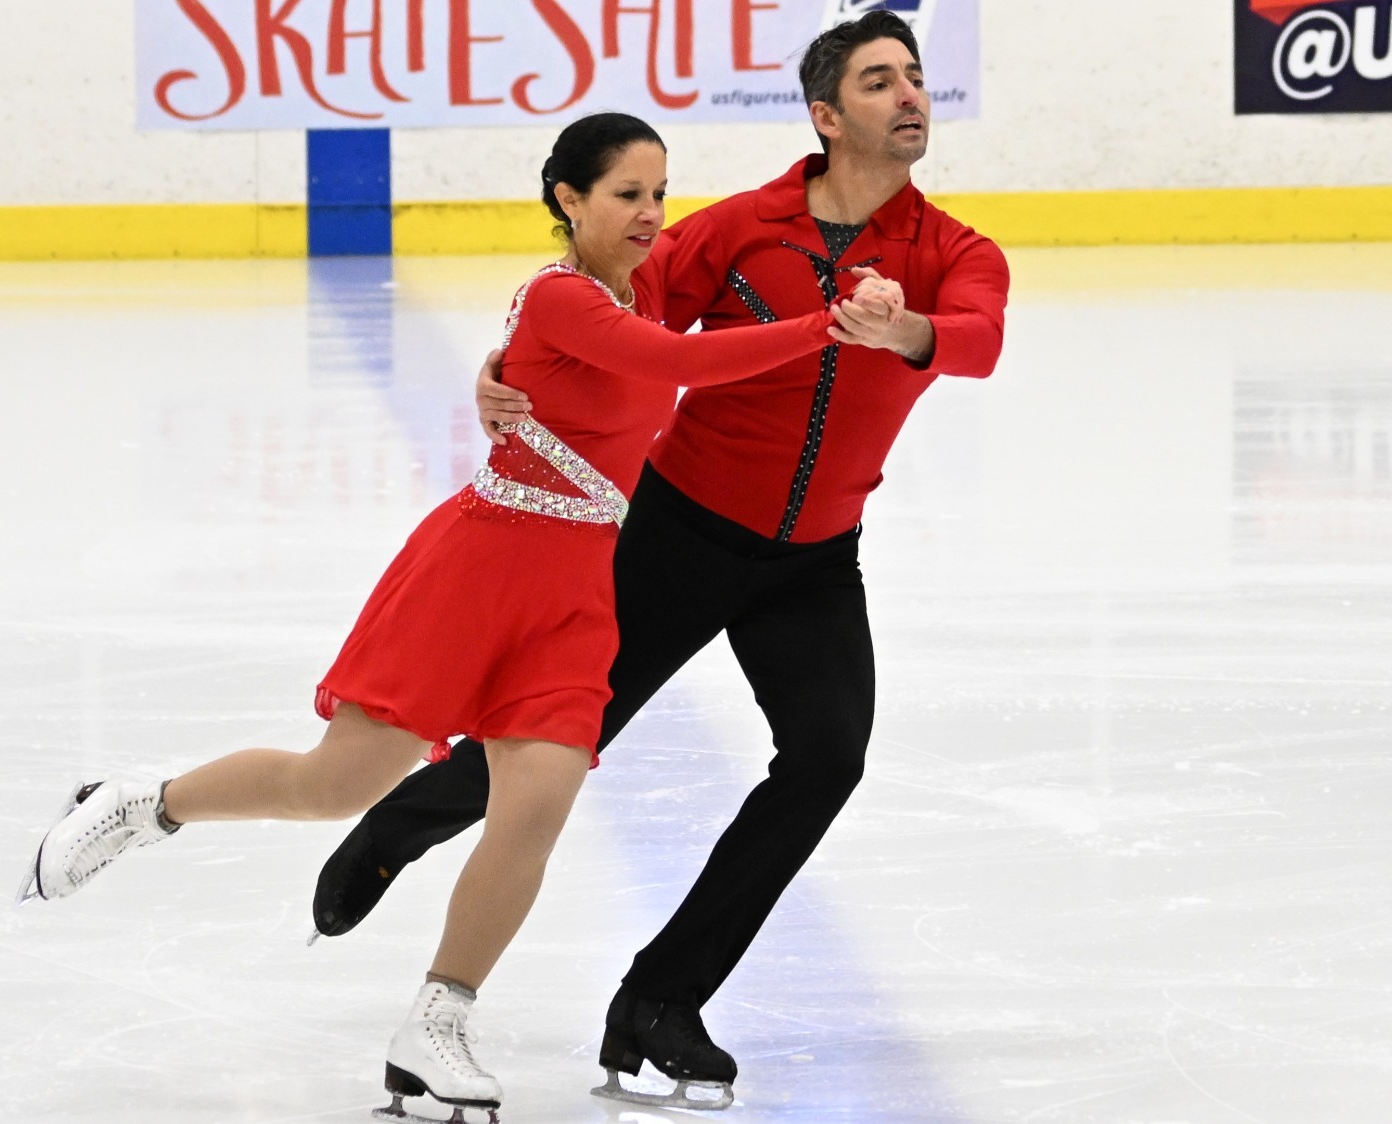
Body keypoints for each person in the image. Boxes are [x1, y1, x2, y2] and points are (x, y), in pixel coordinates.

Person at [15, 112, 904, 1123]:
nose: (651, 214)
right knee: (330, 784)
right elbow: (670, 367)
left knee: (535, 804)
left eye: (659, 194)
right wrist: (828, 327)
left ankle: (435, 1022)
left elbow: (643, 357)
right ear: (568, 200)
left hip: (575, 592)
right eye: (626, 194)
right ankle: (143, 801)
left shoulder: (623, 292)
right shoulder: (563, 296)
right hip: (482, 569)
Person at [307, 10, 1011, 1112]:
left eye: (916, 77)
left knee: (825, 758)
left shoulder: (949, 253)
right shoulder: (736, 231)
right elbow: (608, 315)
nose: (910, 95)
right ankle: (401, 822)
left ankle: (660, 998)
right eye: (880, 81)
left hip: (814, 557)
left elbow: (977, 338)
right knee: (559, 734)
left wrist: (907, 329)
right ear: (826, 116)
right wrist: (501, 363)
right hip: (677, 530)